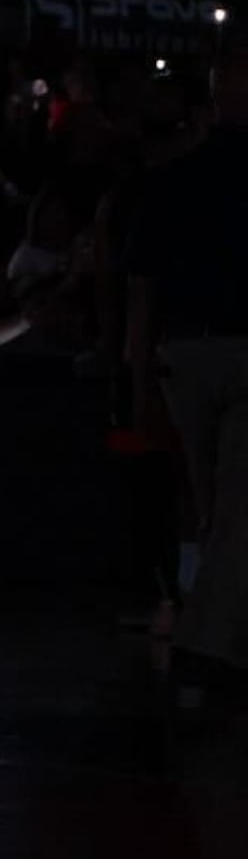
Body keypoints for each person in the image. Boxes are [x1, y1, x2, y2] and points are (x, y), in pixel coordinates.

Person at [124, 49, 248, 694]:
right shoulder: (175, 181)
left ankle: (215, 642)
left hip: (183, 356)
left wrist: (139, 373)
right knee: (230, 509)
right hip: (231, 351)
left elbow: (142, 290)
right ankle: (208, 645)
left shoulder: (171, 181)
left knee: (215, 507)